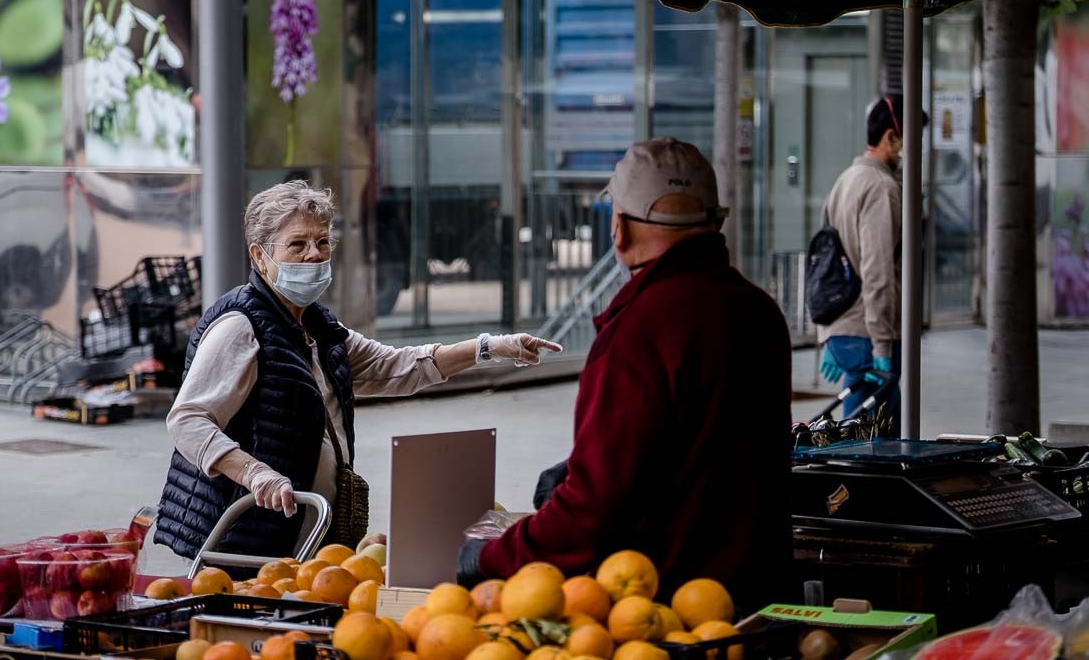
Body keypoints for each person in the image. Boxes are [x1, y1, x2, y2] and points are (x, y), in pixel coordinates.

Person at [458, 137, 792, 613]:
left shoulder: (638, 332)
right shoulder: (759, 312)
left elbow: (594, 514)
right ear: (713, 222)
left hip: (668, 616)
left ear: (619, 229)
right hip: (761, 603)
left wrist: (490, 557)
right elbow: (700, 447)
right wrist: (580, 468)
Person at [154, 181, 561, 562]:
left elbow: (397, 367)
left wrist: (487, 347)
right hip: (245, 539)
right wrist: (255, 473)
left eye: (322, 242)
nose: (314, 254)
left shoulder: (316, 326)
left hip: (301, 536)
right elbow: (188, 420)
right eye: (297, 244)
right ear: (260, 256)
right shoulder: (240, 325)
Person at [816, 95, 923, 436]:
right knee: (878, 445)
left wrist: (829, 333)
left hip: (846, 331)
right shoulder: (882, 187)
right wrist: (882, 346)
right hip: (870, 333)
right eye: (913, 139)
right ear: (892, 137)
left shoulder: (846, 179)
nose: (915, 150)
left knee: (854, 433)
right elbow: (878, 273)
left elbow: (826, 261)